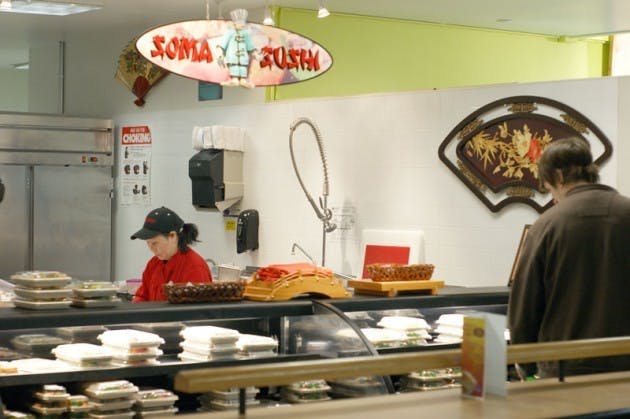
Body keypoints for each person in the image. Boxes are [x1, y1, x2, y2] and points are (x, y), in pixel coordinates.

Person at [508, 136, 630, 378]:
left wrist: (524, 360)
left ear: (559, 176)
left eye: (549, 188)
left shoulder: (547, 224)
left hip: (565, 368)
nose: (553, 198)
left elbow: (526, 302)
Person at [131, 206, 212, 302]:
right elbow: (142, 296)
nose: (151, 249)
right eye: (148, 243)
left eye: (155, 243)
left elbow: (197, 309)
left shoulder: (195, 268)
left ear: (172, 236)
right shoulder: (153, 264)